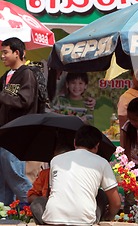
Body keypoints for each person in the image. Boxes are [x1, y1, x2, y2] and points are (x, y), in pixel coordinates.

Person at [41, 125, 121, 225]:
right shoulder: (102, 162)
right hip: (84, 221)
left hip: (52, 218)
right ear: (96, 146)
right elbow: (116, 203)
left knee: (39, 202)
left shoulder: (55, 160)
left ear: (74, 142)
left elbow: (52, 192)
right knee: (101, 194)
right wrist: (109, 216)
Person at [0, 37, 37, 206]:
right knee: (3, 177)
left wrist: (2, 96)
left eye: (5, 52)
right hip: (4, 132)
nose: (2, 56)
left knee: (14, 174)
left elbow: (25, 101)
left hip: (18, 133)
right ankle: (6, 212)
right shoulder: (5, 76)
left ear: (17, 52)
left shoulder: (27, 74)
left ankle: (34, 205)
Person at [27, 144, 73, 224]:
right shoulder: (45, 174)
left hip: (73, 213)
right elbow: (31, 196)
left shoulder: (77, 174)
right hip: (50, 214)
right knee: (37, 203)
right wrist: (48, 201)